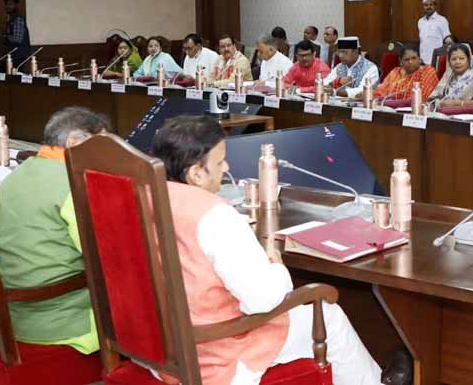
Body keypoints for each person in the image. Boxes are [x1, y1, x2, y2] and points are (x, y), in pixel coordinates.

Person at [150, 116, 412, 385]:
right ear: (196, 173)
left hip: (165, 350)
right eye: (219, 162)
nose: (226, 167)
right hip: (217, 352)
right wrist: (275, 267)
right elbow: (265, 300)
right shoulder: (213, 214)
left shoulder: (146, 196)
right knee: (327, 314)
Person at [0, 106, 109, 355]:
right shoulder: (73, 185)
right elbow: (105, 257)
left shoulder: (14, 177)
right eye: (99, 147)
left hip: (16, 318)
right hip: (67, 323)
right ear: (74, 143)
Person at [429, 43, 473, 107]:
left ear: (469, 60)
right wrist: (439, 103)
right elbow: (433, 99)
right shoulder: (449, 75)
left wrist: (458, 103)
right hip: (444, 112)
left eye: (462, 58)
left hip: (470, 112)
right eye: (453, 59)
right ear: (449, 62)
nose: (457, 62)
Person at [372, 46, 439, 102]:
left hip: (416, 109)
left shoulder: (427, 72)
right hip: (390, 109)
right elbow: (379, 91)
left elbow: (423, 98)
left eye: (414, 58)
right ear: (401, 62)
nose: (411, 62)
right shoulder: (395, 72)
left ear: (419, 59)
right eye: (406, 59)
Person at [417, 0, 450, 69]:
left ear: (435, 6)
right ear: (423, 7)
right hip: (423, 60)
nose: (429, 7)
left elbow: (447, 38)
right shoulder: (420, 21)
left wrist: (452, 46)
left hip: (436, 59)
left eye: (431, 4)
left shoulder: (442, 20)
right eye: (426, 5)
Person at [1, 0, 30, 67]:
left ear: (16, 5)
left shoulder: (18, 19)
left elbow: (17, 39)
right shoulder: (11, 20)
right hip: (13, 55)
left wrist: (4, 36)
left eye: (10, 4)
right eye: (6, 4)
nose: (7, 6)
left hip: (18, 56)